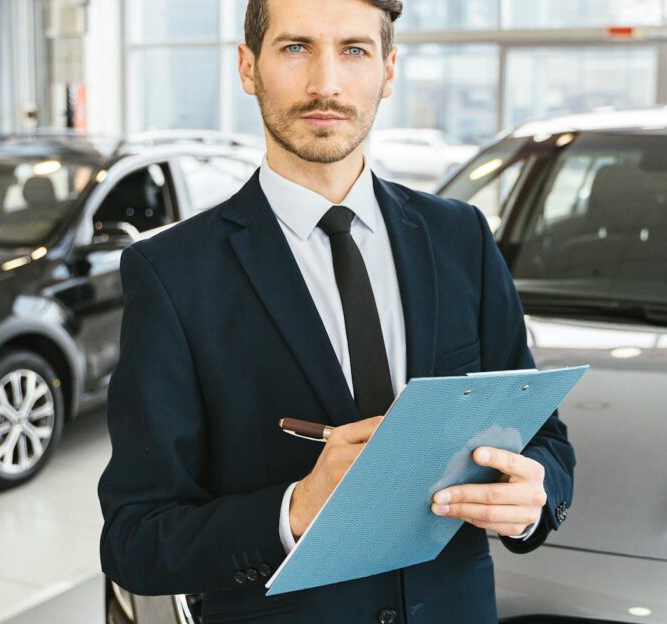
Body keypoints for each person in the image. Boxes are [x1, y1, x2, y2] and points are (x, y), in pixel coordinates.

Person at [96, 0, 574, 621]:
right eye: (296, 48)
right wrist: (294, 510)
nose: (326, 83)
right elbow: (134, 541)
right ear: (248, 67)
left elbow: (546, 439)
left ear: (389, 69)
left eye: (354, 50)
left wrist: (533, 497)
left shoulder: (460, 237)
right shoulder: (172, 274)